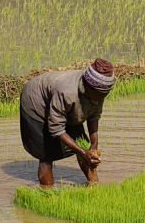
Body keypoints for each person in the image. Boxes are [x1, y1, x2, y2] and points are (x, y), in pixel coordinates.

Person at [20, 58, 115, 187]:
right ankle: (47, 191)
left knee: (83, 144)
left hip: (61, 102)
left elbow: (94, 115)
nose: (100, 98)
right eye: (98, 95)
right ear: (87, 87)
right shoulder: (67, 92)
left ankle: (93, 184)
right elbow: (56, 129)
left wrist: (94, 144)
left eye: (104, 95)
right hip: (36, 102)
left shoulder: (99, 91)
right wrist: (82, 152)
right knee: (46, 155)